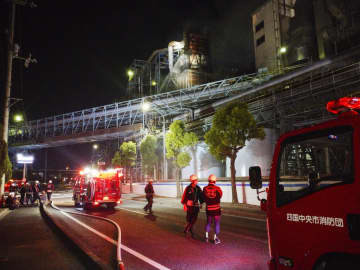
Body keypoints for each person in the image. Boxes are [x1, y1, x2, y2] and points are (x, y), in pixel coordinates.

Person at [203, 174, 223, 244]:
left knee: (208, 222)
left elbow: (204, 198)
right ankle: (215, 239)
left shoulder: (205, 188)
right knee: (216, 223)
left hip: (209, 209)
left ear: (208, 180)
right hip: (216, 209)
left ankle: (206, 237)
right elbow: (220, 196)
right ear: (215, 181)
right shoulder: (218, 189)